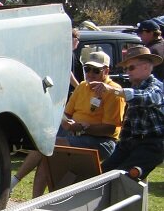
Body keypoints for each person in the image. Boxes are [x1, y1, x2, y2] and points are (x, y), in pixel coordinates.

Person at [12, 50, 125, 197]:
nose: (90, 74)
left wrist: (83, 128)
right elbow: (67, 114)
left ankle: (15, 181)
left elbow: (110, 130)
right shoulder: (82, 86)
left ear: (106, 71)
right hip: (75, 134)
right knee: (46, 149)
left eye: (96, 71)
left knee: (49, 147)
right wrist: (67, 123)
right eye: (87, 69)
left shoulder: (114, 92)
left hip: (101, 141)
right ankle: (35, 201)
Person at [91, 45, 164, 180]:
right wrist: (121, 148)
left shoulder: (157, 86)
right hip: (132, 143)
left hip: (154, 144)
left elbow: (149, 97)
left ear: (146, 67)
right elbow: (129, 125)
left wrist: (115, 91)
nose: (127, 72)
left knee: (123, 176)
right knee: (101, 173)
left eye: (131, 68)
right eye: (126, 68)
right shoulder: (134, 88)